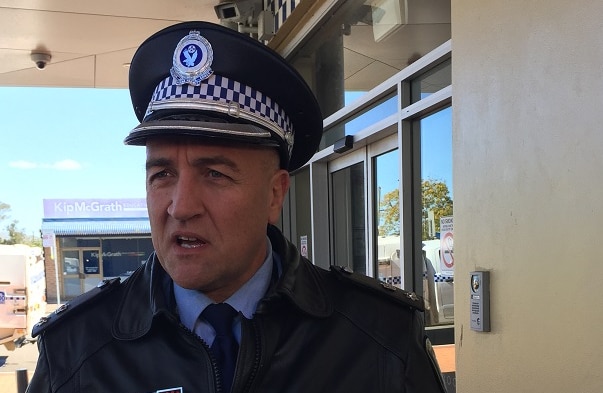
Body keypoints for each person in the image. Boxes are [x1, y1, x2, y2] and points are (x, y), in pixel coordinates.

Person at [27, 21, 446, 393]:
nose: (180, 207)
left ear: (274, 195)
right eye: (162, 175)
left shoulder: (377, 339)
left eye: (215, 174)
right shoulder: (77, 351)